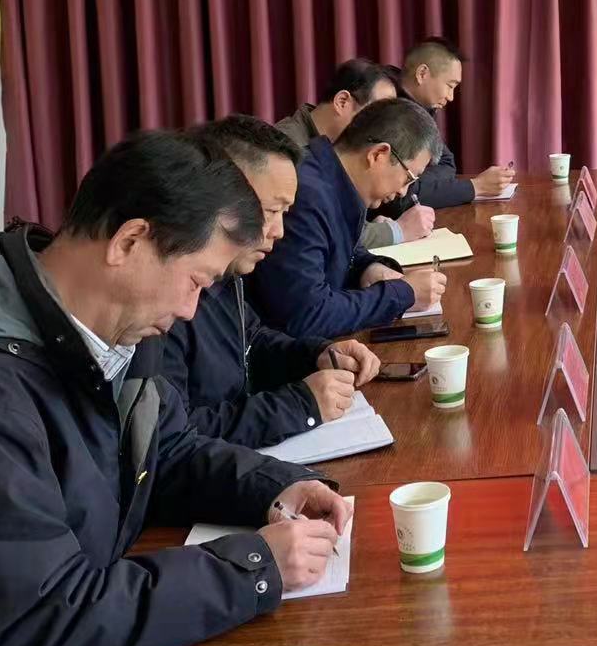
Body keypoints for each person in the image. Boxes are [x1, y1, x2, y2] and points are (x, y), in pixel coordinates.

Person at [0, 132, 351, 646]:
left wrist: (273, 487)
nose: (191, 311)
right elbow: (30, 623)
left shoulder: (112, 332)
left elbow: (165, 450)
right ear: (130, 241)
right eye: (196, 281)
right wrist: (251, 568)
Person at [164, 116, 383, 449]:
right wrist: (301, 405)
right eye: (269, 212)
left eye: (285, 212)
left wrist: (316, 355)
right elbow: (176, 440)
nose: (278, 231)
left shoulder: (229, 274)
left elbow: (251, 341)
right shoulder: (164, 299)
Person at [249, 98, 445, 338]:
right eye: (409, 178)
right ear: (378, 154)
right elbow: (307, 315)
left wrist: (369, 268)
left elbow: (345, 250)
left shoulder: (335, 179)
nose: (404, 192)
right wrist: (402, 294)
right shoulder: (306, 194)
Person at [275, 58, 421, 250]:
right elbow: (318, 229)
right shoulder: (287, 150)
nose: (385, 129)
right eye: (377, 116)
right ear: (342, 102)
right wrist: (397, 231)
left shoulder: (337, 146)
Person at [385, 37, 515, 211]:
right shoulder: (389, 110)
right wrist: (476, 187)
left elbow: (446, 162)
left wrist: (417, 183)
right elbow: (398, 196)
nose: (451, 97)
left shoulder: (422, 109)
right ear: (422, 74)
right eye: (449, 85)